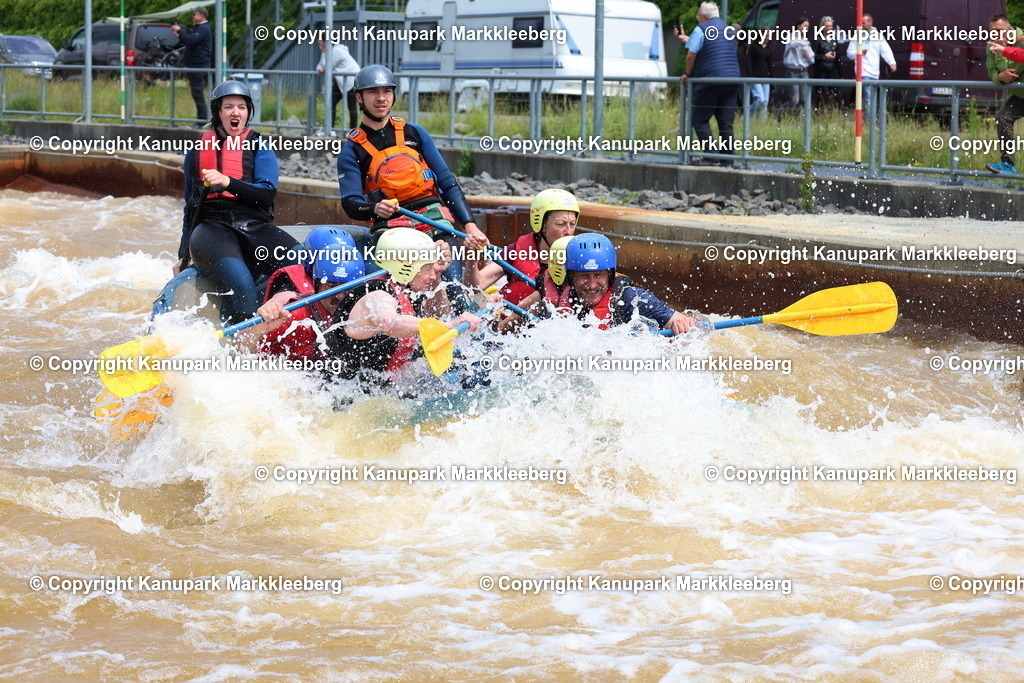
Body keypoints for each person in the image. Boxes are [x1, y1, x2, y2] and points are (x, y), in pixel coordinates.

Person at [337, 64, 489, 311]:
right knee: (385, 288)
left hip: (434, 221)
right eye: (373, 92)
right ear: (359, 97)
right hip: (391, 228)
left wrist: (470, 226)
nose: (381, 98)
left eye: (387, 91)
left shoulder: (415, 133)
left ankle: (470, 331)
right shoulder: (351, 149)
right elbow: (351, 203)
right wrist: (374, 209)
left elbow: (447, 183)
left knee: (454, 286)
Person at [176, 80, 300, 323]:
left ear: (247, 113)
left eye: (241, 107)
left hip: (254, 226)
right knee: (242, 284)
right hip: (212, 231)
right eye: (228, 107)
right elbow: (190, 209)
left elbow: (266, 194)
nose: (235, 112)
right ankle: (244, 351)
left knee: (301, 262)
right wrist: (183, 256)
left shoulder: (259, 147)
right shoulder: (197, 150)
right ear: (218, 113)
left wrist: (227, 181)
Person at [324, 227, 482, 385]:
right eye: (428, 269)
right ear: (405, 266)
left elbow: (439, 314)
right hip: (346, 396)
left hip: (384, 391)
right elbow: (390, 323)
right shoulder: (376, 294)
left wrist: (437, 277)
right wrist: (447, 326)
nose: (432, 275)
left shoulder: (406, 291)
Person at [240, 227, 366, 358]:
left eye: (347, 289)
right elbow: (238, 352)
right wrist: (259, 327)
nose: (340, 296)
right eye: (332, 287)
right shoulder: (292, 313)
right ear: (317, 284)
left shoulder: (367, 311)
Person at [542, 234, 696, 336]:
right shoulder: (563, 304)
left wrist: (686, 328)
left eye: (598, 275)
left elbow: (695, 328)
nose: (592, 285)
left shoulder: (633, 299)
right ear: (571, 277)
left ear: (610, 275)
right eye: (583, 276)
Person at [463, 188, 579, 305]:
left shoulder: (579, 255)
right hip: (512, 319)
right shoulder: (516, 251)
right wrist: (472, 259)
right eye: (561, 224)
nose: (569, 231)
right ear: (542, 225)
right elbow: (473, 288)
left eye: (572, 224)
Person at [677, 2, 741, 167]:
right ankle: (727, 160)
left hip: (711, 80)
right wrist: (687, 39)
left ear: (704, 17)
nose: (698, 20)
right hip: (733, 80)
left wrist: (688, 74)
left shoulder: (702, 28)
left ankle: (711, 156)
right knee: (725, 122)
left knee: (699, 119)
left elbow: (691, 55)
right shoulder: (727, 29)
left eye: (698, 16)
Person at [984, 14, 1024, 174]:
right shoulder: (991, 45)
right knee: (1003, 118)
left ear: (1009, 28)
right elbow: (992, 70)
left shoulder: (1021, 40)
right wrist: (998, 77)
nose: (995, 34)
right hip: (1020, 95)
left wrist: (1002, 53)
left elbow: (1015, 69)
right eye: (992, 31)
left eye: (999, 30)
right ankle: (1008, 163)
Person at [845, 14, 896, 121]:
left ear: (870, 23)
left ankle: (872, 121)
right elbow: (849, 53)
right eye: (860, 22)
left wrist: (891, 62)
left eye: (863, 22)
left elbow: (886, 50)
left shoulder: (877, 36)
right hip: (863, 72)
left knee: (873, 99)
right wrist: (859, 52)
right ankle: (870, 122)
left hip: (874, 73)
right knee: (867, 99)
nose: (861, 24)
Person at [171, 7, 212, 125]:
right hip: (194, 64)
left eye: (195, 14)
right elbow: (189, 40)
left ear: (202, 16)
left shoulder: (204, 28)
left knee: (198, 92)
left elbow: (191, 40)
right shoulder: (199, 28)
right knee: (196, 92)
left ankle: (202, 121)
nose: (192, 17)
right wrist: (180, 34)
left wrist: (180, 31)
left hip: (199, 65)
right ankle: (201, 119)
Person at [316, 39, 361, 131]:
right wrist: (320, 67)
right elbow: (320, 65)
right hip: (340, 81)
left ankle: (352, 131)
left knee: (351, 107)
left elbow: (327, 66)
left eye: (321, 44)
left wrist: (322, 66)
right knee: (330, 103)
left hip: (351, 81)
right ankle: (330, 129)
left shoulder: (337, 51)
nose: (319, 46)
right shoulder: (327, 52)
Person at [782, 18, 814, 110]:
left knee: (805, 100)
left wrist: (808, 56)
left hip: (804, 71)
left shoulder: (804, 39)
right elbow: (792, 44)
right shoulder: (790, 36)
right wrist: (805, 44)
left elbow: (812, 59)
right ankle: (779, 114)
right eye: (805, 25)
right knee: (794, 100)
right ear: (798, 26)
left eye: (808, 26)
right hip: (792, 71)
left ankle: (801, 121)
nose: (807, 28)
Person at [812, 16, 842, 107]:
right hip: (821, 70)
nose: (829, 28)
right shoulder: (818, 39)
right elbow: (812, 57)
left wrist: (841, 74)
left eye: (830, 26)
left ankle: (835, 113)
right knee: (822, 95)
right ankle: (820, 114)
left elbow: (837, 58)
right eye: (827, 26)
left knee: (835, 93)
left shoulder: (834, 40)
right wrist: (824, 56)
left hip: (832, 69)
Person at [745, 29, 773, 117]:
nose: (768, 38)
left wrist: (772, 77)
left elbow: (770, 64)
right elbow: (749, 61)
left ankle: (762, 122)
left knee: (765, 102)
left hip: (765, 77)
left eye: (769, 36)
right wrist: (750, 74)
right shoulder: (754, 47)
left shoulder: (769, 49)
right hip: (755, 76)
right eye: (766, 35)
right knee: (759, 99)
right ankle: (747, 115)